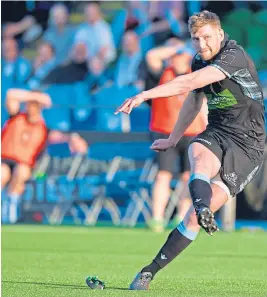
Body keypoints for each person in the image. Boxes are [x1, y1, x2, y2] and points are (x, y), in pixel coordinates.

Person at [115, 10, 266, 290]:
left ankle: (191, 220)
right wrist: (173, 139)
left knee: (193, 220)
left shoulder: (234, 55)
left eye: (207, 37)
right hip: (218, 130)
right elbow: (193, 100)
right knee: (197, 154)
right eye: (196, 39)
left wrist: (144, 94)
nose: (202, 45)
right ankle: (147, 274)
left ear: (220, 34)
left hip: (249, 145)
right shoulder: (198, 59)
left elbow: (189, 83)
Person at [145, 43, 208, 232]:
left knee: (188, 177)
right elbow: (151, 55)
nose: (177, 58)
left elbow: (203, 103)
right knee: (163, 175)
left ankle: (181, 216)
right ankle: (157, 218)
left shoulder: (196, 75)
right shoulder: (163, 73)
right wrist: (176, 47)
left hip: (192, 132)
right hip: (165, 131)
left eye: (182, 55)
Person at [1, 89, 87, 224]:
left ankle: (10, 208)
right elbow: (10, 94)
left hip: (25, 165)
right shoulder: (16, 117)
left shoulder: (44, 129)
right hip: (5, 160)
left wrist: (73, 138)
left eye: (34, 104)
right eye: (29, 103)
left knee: (21, 172)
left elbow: (61, 137)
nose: (30, 107)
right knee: (2, 173)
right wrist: (37, 96)